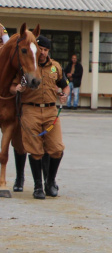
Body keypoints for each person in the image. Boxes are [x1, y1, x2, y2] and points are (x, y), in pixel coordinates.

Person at [10, 35, 69, 199]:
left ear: (48, 51)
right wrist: (18, 89)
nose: (42, 52)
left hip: (51, 111)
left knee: (57, 148)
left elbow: (64, 86)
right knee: (35, 151)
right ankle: (38, 187)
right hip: (30, 110)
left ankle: (50, 182)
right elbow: (13, 86)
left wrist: (64, 95)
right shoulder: (26, 66)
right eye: (40, 49)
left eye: (45, 49)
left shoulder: (54, 67)